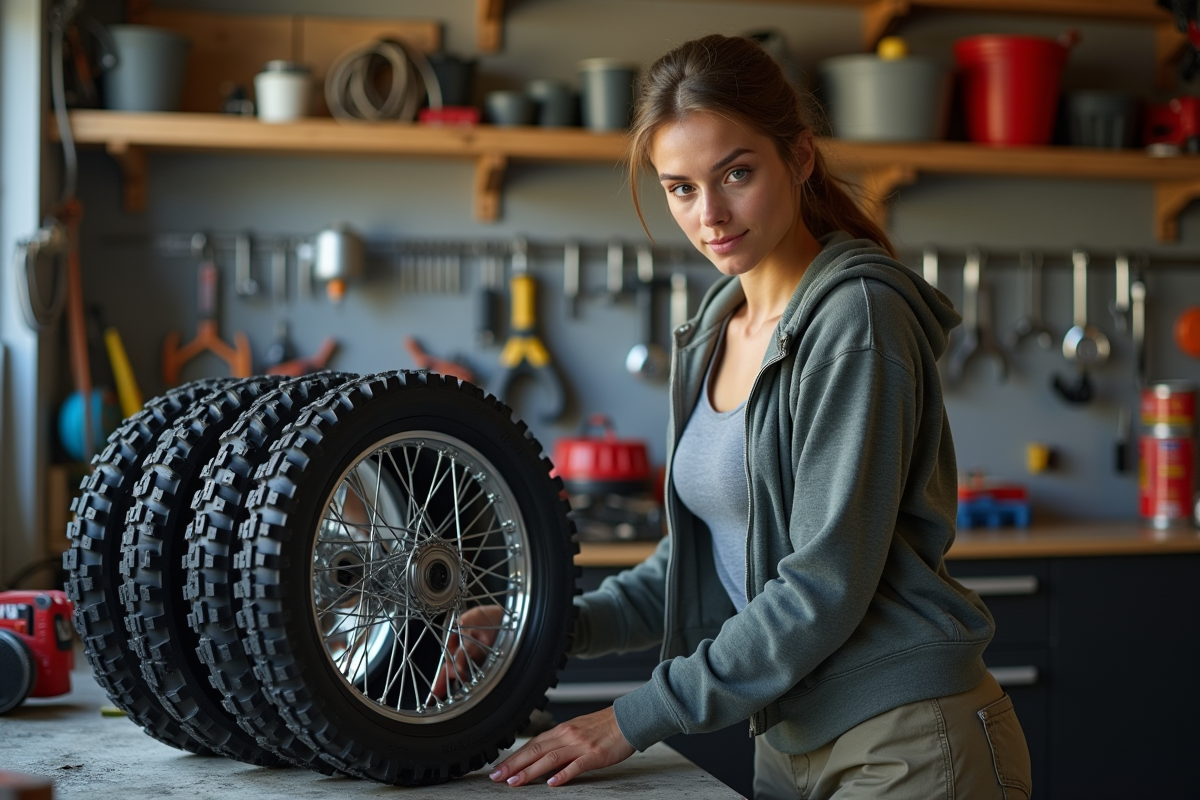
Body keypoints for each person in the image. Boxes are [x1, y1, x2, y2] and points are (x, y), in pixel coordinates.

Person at [459, 33, 1032, 798]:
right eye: (681, 188)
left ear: (798, 158)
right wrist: (540, 626)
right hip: (789, 740)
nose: (710, 215)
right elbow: (695, 567)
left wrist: (631, 718)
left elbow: (821, 586)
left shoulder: (855, 319)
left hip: (906, 738)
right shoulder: (715, 327)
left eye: (736, 173)